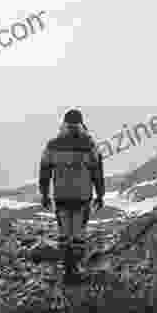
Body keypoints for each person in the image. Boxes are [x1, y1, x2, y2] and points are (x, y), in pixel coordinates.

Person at [38, 108, 105, 284]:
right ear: (81, 123)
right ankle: (76, 269)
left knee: (64, 233)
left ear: (64, 124)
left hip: (61, 196)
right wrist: (100, 195)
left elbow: (45, 170)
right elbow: (97, 171)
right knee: (78, 234)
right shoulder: (89, 144)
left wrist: (44, 194)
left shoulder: (53, 145)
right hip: (82, 197)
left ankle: (67, 270)